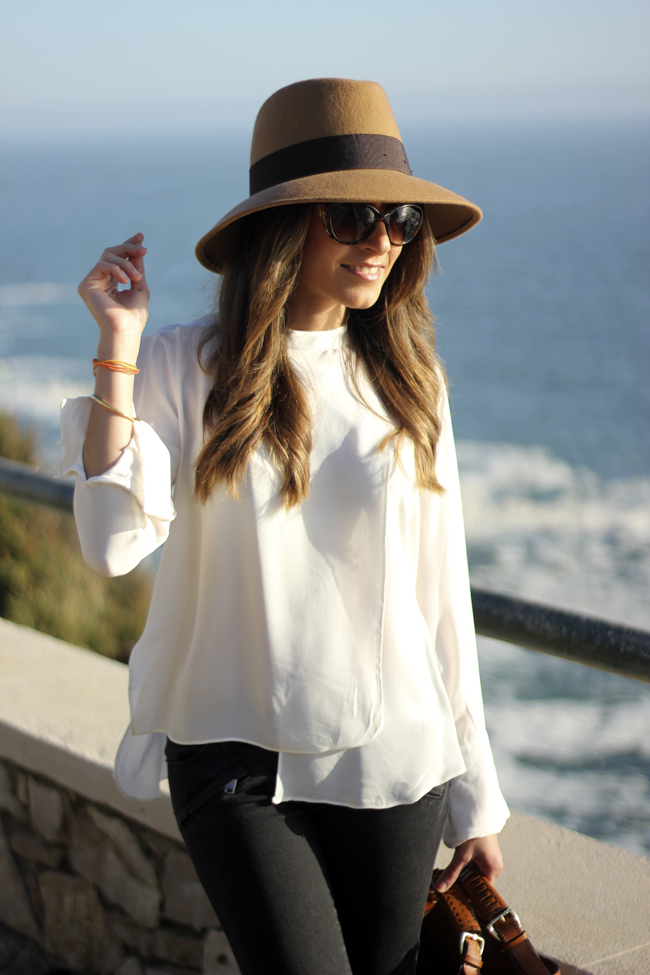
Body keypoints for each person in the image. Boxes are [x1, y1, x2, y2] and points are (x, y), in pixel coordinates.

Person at [59, 79, 509, 975]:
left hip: (394, 758)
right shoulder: (184, 365)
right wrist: (117, 346)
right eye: (352, 216)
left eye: (399, 220)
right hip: (233, 759)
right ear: (283, 227)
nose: (381, 241)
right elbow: (109, 546)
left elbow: (440, 599)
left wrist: (478, 797)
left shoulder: (411, 381)